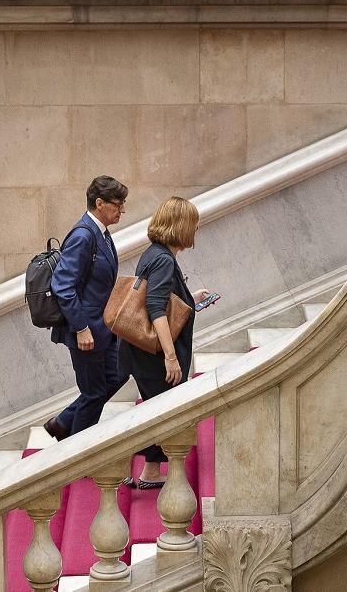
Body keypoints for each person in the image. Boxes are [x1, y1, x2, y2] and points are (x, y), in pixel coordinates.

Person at [120, 197, 212, 489]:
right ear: (182, 226)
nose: (196, 229)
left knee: (157, 408)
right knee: (165, 412)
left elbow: (163, 300)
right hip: (156, 354)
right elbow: (156, 308)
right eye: (193, 223)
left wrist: (191, 299)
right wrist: (171, 358)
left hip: (146, 352)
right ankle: (151, 467)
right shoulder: (162, 259)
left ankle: (151, 472)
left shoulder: (156, 254)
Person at [44, 176, 130, 441]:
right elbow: (62, 286)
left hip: (103, 329)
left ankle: (63, 422)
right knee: (93, 392)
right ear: (100, 203)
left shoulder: (101, 233)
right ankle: (77, 453)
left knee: (117, 375)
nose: (122, 210)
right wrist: (81, 327)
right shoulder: (83, 236)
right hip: (87, 332)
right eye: (118, 204)